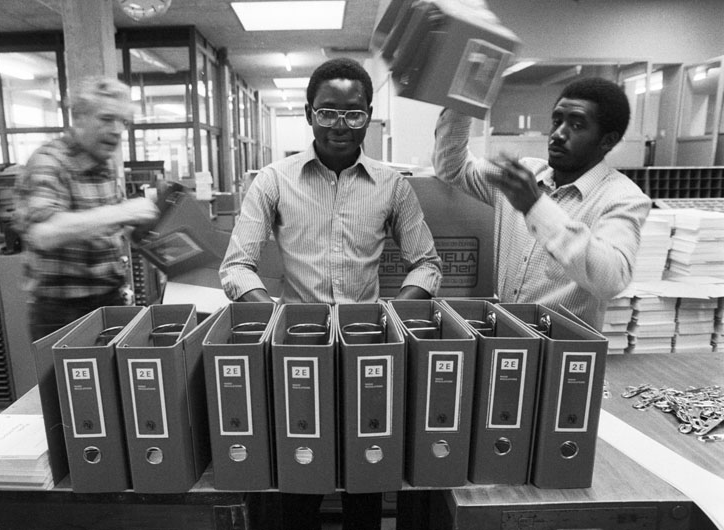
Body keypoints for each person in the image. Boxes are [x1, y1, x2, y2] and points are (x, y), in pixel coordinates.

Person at [219, 57, 442, 530]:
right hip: (297, 356)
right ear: (309, 114)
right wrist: (280, 322)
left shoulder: (392, 186)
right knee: (300, 478)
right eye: (327, 111)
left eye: (353, 113)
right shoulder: (273, 180)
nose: (340, 124)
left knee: (366, 478)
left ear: (368, 116)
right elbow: (236, 267)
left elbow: (427, 264)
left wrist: (388, 319)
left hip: (368, 355)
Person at [432, 76, 651, 331]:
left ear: (607, 140)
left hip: (562, 349)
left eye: (577, 125)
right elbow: (453, 169)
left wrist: (536, 208)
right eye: (557, 121)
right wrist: (463, 102)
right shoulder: (524, 175)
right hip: (504, 338)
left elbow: (611, 279)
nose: (558, 134)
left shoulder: (622, 198)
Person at [14, 76, 159, 342]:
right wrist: (124, 212)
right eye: (107, 119)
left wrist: (146, 228)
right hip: (62, 314)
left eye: (123, 122)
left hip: (109, 300)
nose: (117, 130)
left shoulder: (105, 164)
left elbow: (112, 226)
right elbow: (44, 233)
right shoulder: (49, 161)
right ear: (79, 118)